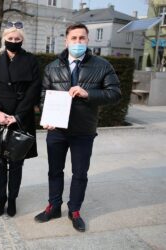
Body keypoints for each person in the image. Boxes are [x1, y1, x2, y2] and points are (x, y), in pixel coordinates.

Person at [34, 23, 121, 232]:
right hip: (57, 131)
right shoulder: (52, 67)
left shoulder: (102, 65)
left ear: (88, 41)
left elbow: (115, 93)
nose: (78, 42)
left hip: (84, 131)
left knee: (80, 173)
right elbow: (43, 97)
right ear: (66, 41)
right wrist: (45, 116)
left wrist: (88, 93)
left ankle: (74, 210)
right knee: (54, 171)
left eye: (82, 38)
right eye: (74, 38)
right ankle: (54, 207)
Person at [0, 21, 41, 217]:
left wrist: (17, 115)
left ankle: (13, 198)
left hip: (20, 117)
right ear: (4, 39)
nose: (13, 41)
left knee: (16, 162)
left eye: (17, 39)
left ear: (22, 40)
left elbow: (34, 90)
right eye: (10, 38)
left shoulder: (31, 60)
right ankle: (1, 198)